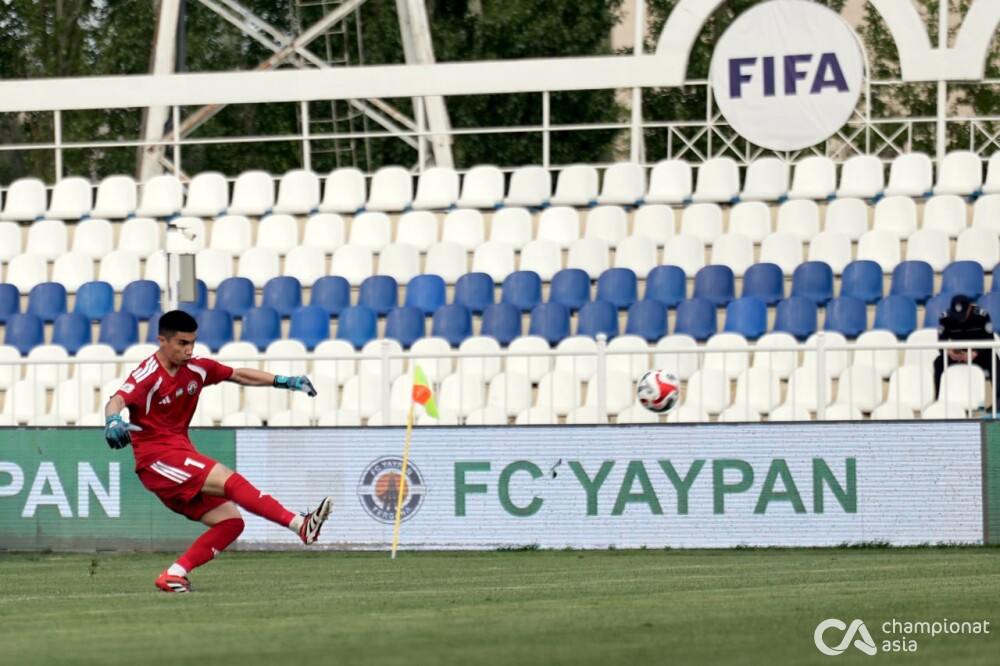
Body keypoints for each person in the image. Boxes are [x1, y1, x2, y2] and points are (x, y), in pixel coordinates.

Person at [104, 309, 332, 593]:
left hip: (179, 454)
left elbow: (238, 375)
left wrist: (283, 381)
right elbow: (116, 400)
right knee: (227, 478)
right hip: (157, 461)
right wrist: (113, 419)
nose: (189, 350)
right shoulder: (148, 375)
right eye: (182, 344)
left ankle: (174, 575)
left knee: (231, 522)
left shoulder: (197, 368)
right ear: (162, 341)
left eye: (193, 342)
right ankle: (300, 525)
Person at [933, 294, 1000, 403]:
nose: (960, 319)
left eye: (963, 315)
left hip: (977, 355)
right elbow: (941, 341)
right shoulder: (945, 317)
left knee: (993, 359)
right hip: (957, 356)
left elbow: (989, 340)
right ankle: (938, 401)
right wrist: (949, 352)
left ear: (969, 308)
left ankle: (998, 401)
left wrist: (975, 353)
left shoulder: (982, 316)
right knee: (939, 362)